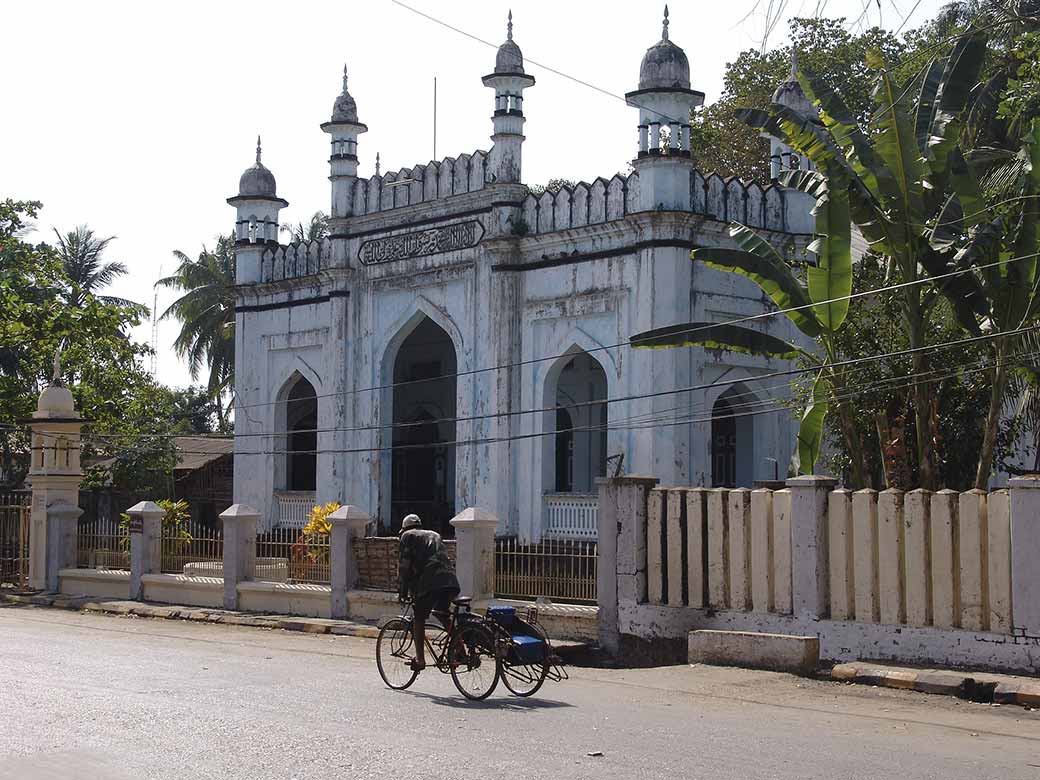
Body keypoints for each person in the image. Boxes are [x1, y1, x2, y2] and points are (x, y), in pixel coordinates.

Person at [397, 514, 461, 671]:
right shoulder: (435, 534)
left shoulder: (407, 536)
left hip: (430, 582)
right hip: (450, 581)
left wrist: (402, 591)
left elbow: (405, 566)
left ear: (405, 528)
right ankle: (461, 651)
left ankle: (420, 659)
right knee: (443, 614)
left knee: (419, 618)